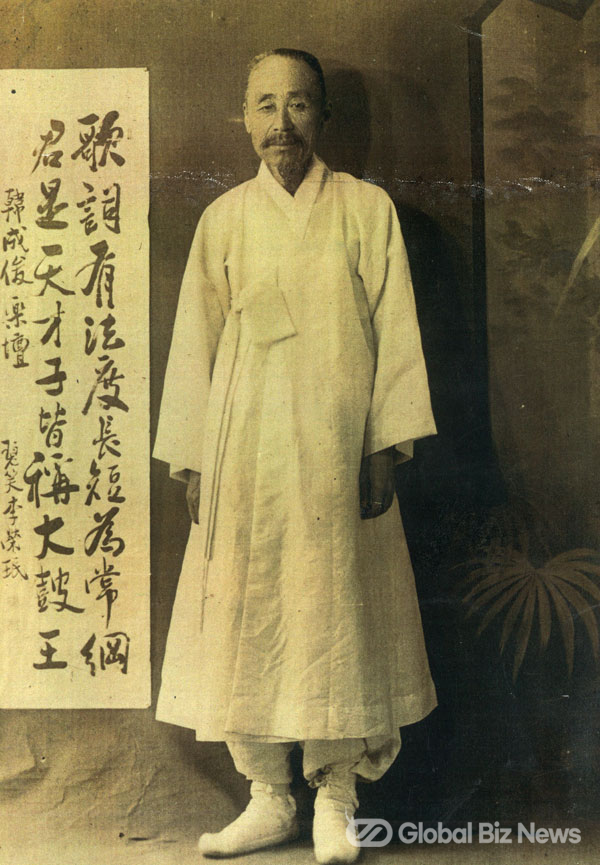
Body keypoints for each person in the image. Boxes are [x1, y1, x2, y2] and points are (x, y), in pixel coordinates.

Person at [153, 48, 438, 864]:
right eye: (266, 105)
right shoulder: (224, 220)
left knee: (335, 608)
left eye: (300, 104)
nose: (282, 123)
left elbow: (396, 333)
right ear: (244, 119)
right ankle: (269, 795)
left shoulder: (364, 209)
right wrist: (194, 458)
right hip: (244, 454)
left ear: (324, 116)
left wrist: (383, 445)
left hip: (336, 451)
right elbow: (195, 345)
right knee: (247, 609)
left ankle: (336, 796)